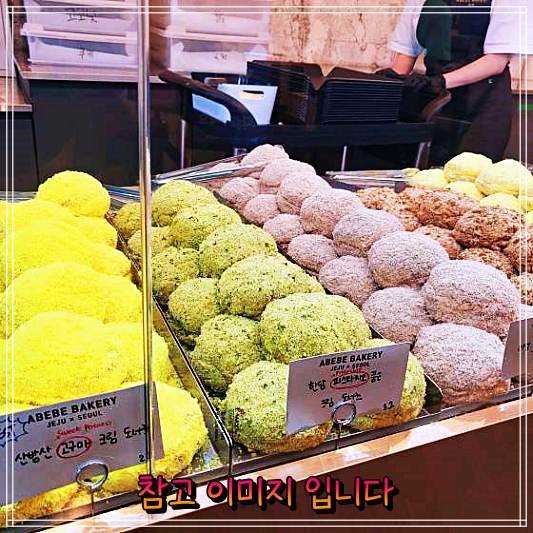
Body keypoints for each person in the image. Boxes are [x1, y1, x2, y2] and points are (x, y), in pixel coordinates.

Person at [378, 0, 529, 162]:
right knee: (424, 169)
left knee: (468, 172)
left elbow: (496, 61)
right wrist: (388, 87)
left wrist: (440, 82)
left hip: (483, 104)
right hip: (435, 102)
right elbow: (406, 52)